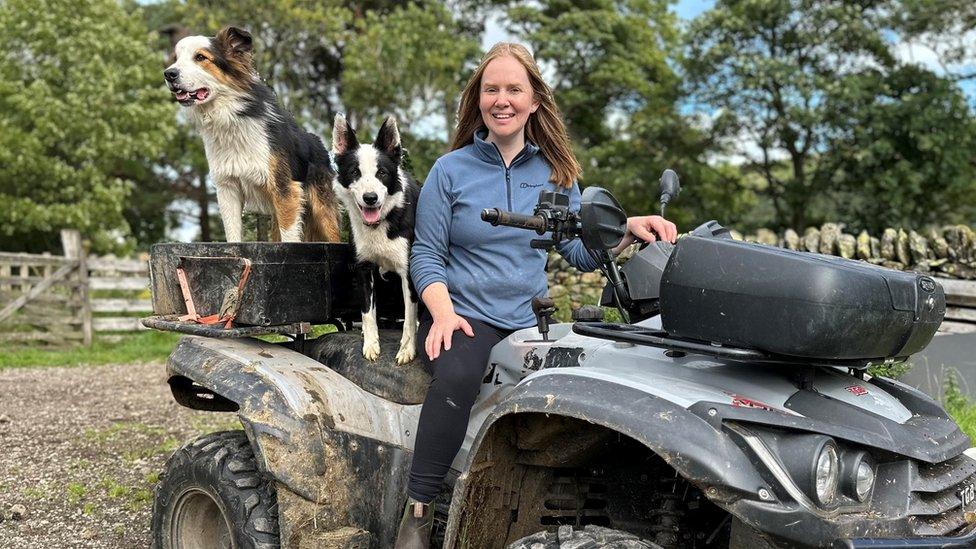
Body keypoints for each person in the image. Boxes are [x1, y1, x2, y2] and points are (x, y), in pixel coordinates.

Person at [395, 42, 677, 548]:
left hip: (531, 322)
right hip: (466, 317)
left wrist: (629, 228)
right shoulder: (450, 171)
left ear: (534, 101)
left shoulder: (555, 172)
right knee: (457, 376)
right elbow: (426, 256)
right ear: (477, 100)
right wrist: (441, 313)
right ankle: (418, 510)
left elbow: (578, 249)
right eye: (491, 89)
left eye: (513, 89)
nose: (501, 100)